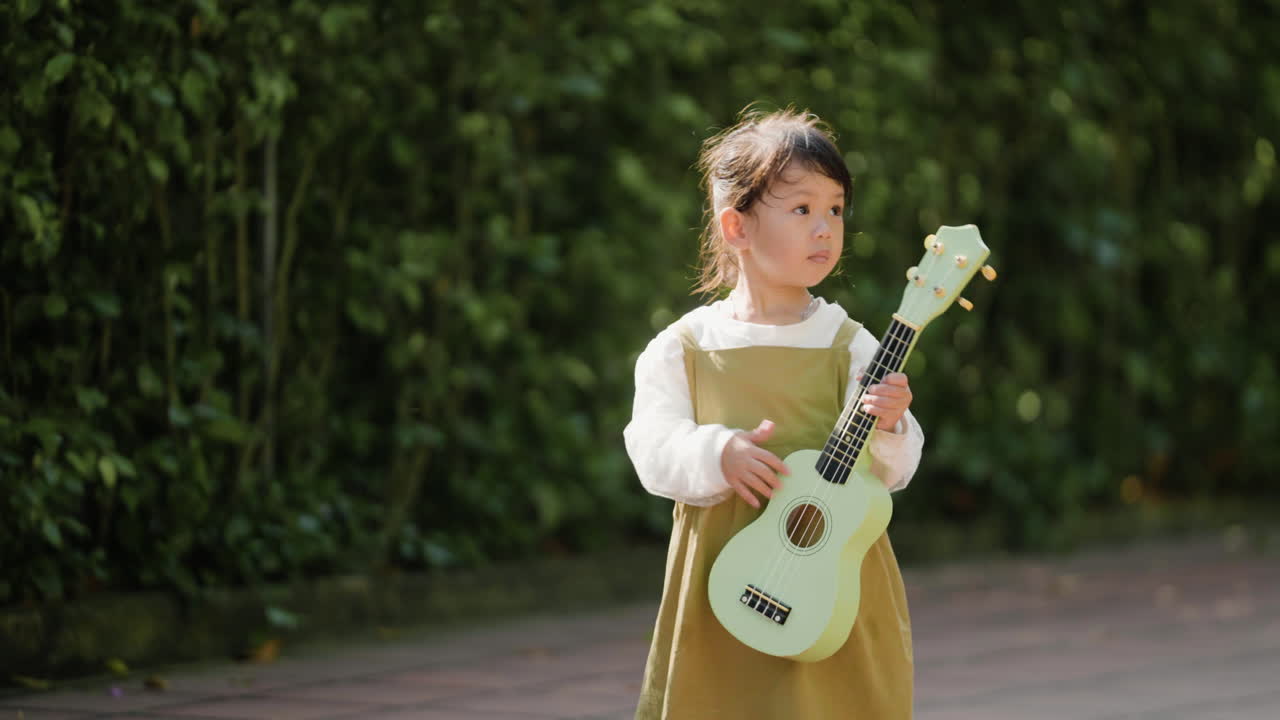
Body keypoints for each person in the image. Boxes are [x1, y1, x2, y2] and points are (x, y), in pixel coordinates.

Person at [623, 107, 925, 719]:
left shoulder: (850, 344)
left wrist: (892, 424)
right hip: (726, 576)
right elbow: (652, 445)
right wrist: (717, 452)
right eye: (802, 209)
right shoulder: (685, 347)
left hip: (832, 580)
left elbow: (891, 473)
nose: (825, 229)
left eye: (835, 210)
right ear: (737, 227)